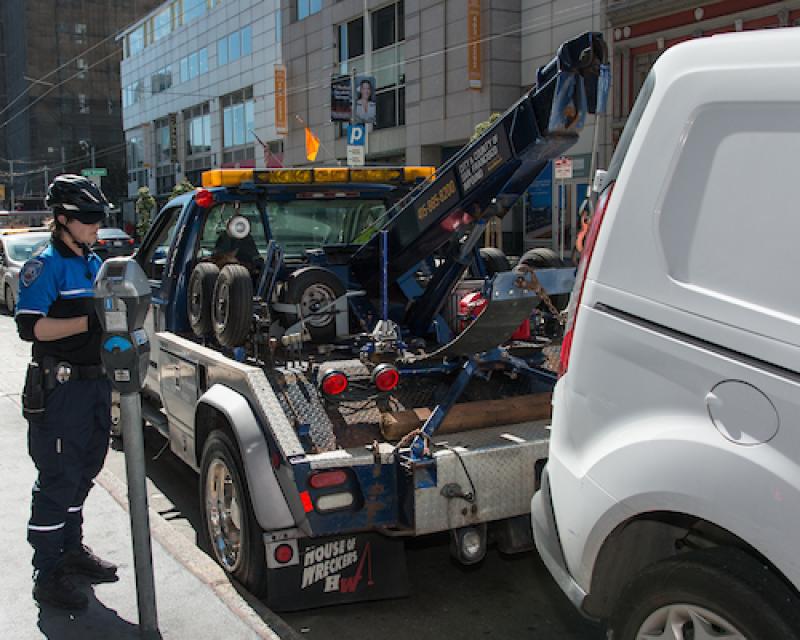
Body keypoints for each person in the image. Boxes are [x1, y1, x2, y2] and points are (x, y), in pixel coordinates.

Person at [15, 174, 117, 610]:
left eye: (98, 217)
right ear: (61, 220)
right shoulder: (45, 264)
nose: (96, 225)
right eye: (88, 218)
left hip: (94, 385)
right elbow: (30, 327)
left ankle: (71, 551)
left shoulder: (93, 261)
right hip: (60, 389)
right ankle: (48, 572)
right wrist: (90, 322)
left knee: (85, 469)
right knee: (58, 477)